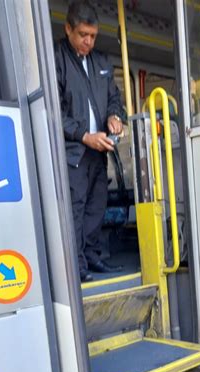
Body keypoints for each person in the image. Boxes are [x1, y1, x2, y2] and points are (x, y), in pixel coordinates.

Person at [55, 0, 126, 283]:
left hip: (100, 151)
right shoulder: (55, 59)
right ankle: (77, 267)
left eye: (93, 36)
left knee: (97, 207)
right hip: (74, 151)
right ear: (68, 29)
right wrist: (84, 135)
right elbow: (52, 110)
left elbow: (114, 98)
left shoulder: (102, 62)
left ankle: (94, 258)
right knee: (76, 209)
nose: (88, 41)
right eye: (83, 34)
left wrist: (114, 116)